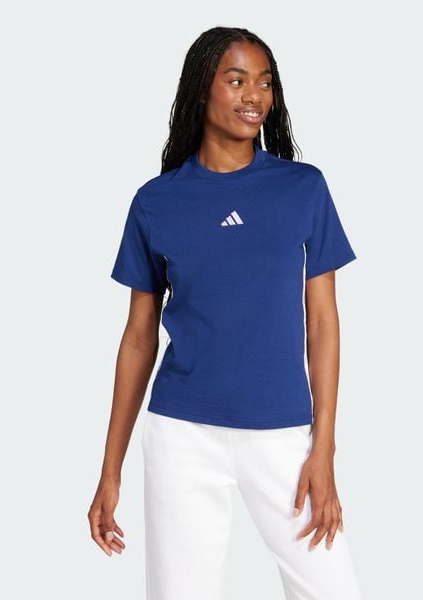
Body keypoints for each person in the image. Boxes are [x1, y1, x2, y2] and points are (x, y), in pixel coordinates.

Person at [88, 26, 363, 600]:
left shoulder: (303, 188)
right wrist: (110, 471)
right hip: (181, 434)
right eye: (236, 80)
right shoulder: (156, 201)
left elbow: (323, 324)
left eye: (264, 82)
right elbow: (138, 339)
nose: (254, 96)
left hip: (284, 434)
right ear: (201, 89)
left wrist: (325, 448)